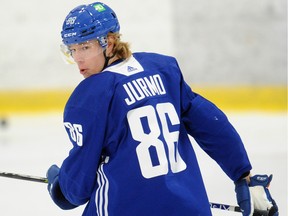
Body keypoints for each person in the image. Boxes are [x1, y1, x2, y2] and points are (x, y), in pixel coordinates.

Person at [46, 2, 279, 216]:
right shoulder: (164, 69)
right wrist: (243, 175)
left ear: (111, 42)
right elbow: (210, 122)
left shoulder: (89, 96)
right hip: (189, 208)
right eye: (71, 50)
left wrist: (60, 188)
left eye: (85, 47)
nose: (78, 58)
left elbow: (76, 190)